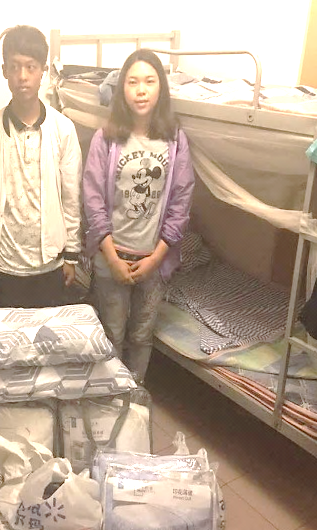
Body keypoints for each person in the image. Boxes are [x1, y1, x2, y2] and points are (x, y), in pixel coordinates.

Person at [82, 49, 195, 383]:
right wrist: (112, 257)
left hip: (153, 261)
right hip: (112, 257)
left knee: (142, 337)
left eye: (149, 81)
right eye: (132, 82)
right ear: (122, 89)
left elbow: (181, 202)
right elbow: (92, 200)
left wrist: (156, 259)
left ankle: (133, 395)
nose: (141, 90)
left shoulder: (175, 140)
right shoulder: (106, 138)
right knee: (112, 335)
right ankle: (112, 395)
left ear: (161, 87)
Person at [0, 25, 82, 308]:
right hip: (6, 263)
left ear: (43, 70)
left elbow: (71, 198)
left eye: (30, 67)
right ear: (4, 71)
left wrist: (71, 255)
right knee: (10, 335)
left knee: (48, 334)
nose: (22, 76)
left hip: (51, 262)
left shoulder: (63, 129)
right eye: (14, 67)